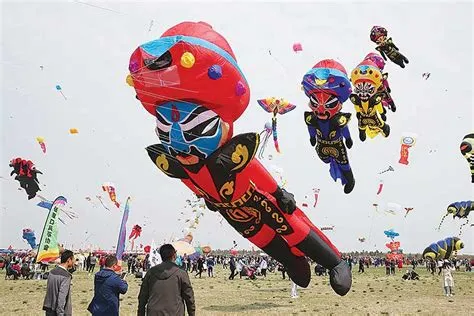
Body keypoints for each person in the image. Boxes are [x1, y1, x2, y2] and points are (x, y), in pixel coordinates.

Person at [138, 244, 195, 316]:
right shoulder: (181, 273)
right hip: (175, 312)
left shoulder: (151, 272)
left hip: (154, 312)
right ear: (174, 255)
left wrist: (140, 313)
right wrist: (192, 313)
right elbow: (189, 297)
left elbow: (142, 297)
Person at [42, 250, 75, 316]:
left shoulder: (52, 272)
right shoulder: (66, 276)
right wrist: (60, 313)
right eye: (73, 259)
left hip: (49, 308)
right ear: (69, 260)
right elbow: (61, 297)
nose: (74, 262)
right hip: (58, 311)